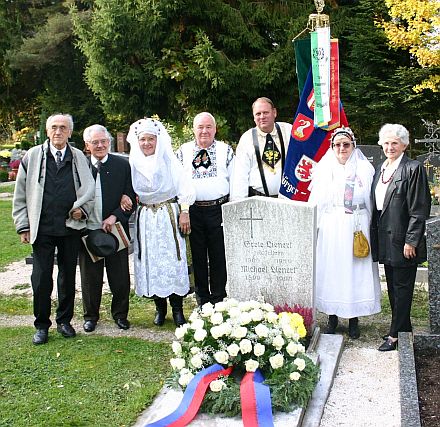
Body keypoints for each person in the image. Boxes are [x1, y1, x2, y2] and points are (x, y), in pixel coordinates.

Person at [12, 113, 95, 345]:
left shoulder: (79, 157)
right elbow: (20, 195)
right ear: (47, 131)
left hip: (70, 228)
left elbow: (90, 190)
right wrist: (23, 226)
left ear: (70, 132)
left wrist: (83, 211)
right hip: (43, 228)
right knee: (41, 279)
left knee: (67, 278)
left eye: (63, 128)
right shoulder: (33, 156)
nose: (58, 132)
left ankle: (64, 321)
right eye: (54, 127)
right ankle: (41, 325)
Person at [309, 127, 381, 339]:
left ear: (353, 146)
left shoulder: (364, 169)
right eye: (338, 145)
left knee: (354, 270)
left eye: (346, 144)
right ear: (332, 147)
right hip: (332, 226)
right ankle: (332, 316)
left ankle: (353, 319)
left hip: (356, 225)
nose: (342, 148)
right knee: (333, 269)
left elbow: (371, 200)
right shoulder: (323, 169)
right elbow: (317, 202)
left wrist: (368, 226)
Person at [128, 118, 195, 326]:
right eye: (143, 140)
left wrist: (184, 211)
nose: (146, 143)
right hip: (146, 217)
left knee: (172, 260)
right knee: (151, 261)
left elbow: (185, 185)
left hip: (168, 215)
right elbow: (127, 187)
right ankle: (159, 308)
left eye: (150, 139)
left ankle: (177, 309)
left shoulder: (168, 160)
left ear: (158, 140)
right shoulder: (133, 162)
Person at [371, 124, 431, 351]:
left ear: (404, 145)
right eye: (386, 142)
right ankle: (404, 329)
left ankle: (395, 335)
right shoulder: (381, 168)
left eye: (394, 142)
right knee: (394, 289)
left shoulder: (413, 168)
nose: (389, 147)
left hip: (403, 238)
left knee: (403, 287)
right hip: (385, 238)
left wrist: (411, 240)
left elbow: (419, 209)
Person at [79, 125, 136, 333]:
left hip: (115, 228)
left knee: (120, 276)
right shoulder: (80, 166)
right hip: (88, 229)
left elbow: (131, 198)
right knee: (90, 277)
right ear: (87, 145)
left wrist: (115, 216)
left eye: (104, 141)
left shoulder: (122, 165)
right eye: (95, 142)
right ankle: (90, 317)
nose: (100, 145)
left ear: (109, 142)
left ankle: (120, 315)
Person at [176, 112, 234, 306]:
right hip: (193, 211)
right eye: (200, 127)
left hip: (219, 209)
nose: (204, 131)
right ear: (193, 129)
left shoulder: (226, 150)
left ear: (215, 129)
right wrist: (183, 210)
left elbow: (234, 180)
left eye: (208, 127)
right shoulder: (183, 152)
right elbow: (177, 183)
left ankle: (219, 298)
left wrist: (231, 210)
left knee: (218, 255)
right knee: (198, 256)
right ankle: (203, 300)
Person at [230, 97, 291, 200]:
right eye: (258, 114)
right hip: (258, 201)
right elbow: (240, 176)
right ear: (254, 117)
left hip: (287, 200)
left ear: (274, 112)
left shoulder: (288, 130)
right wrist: (238, 204)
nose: (262, 117)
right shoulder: (246, 139)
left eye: (265, 112)